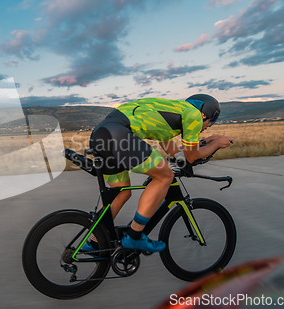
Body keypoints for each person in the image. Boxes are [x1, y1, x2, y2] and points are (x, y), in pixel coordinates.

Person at [83, 94, 233, 253]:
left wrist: (204, 142)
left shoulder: (171, 115)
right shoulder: (194, 114)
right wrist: (217, 143)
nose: (205, 128)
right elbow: (192, 157)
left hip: (102, 134)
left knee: (121, 192)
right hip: (118, 135)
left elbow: (175, 152)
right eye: (209, 124)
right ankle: (134, 235)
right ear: (205, 114)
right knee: (165, 176)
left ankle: (94, 241)